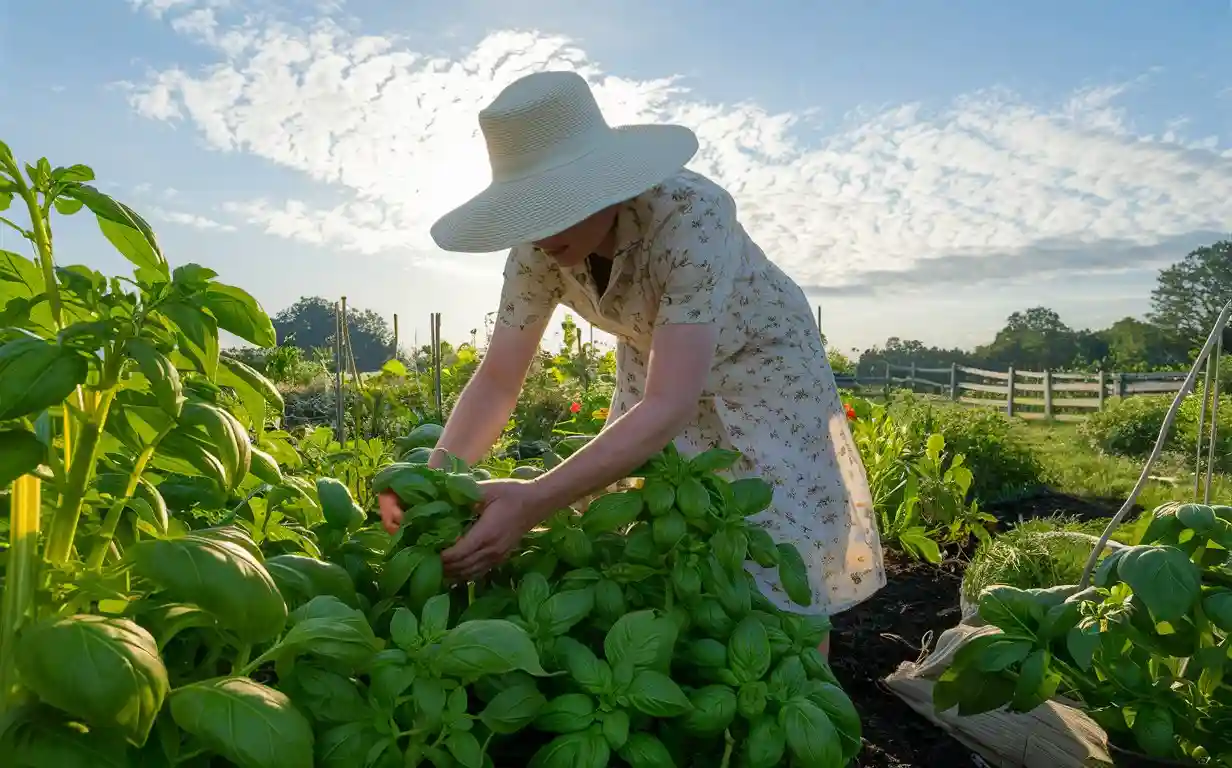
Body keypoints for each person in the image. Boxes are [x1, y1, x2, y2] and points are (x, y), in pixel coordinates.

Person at [379, 70, 885, 642]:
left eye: (556, 204)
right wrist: (434, 487)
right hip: (660, 363)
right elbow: (499, 378)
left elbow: (670, 403)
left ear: (604, 184)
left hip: (761, 365)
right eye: (528, 209)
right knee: (656, 531)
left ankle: (803, 679)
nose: (542, 232)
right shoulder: (535, 253)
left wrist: (533, 501)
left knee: (779, 536)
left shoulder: (691, 215)